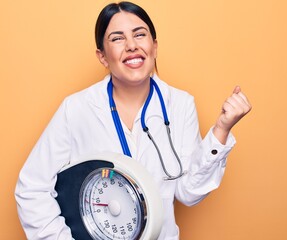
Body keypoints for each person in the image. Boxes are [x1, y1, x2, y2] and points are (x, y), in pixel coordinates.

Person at [15, 1, 251, 239]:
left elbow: (188, 193)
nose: (131, 45)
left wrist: (221, 129)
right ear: (103, 56)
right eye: (117, 38)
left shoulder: (180, 105)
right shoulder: (76, 108)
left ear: (154, 46)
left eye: (140, 34)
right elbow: (32, 187)